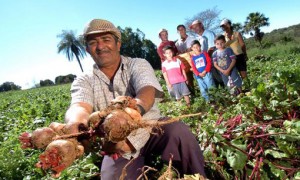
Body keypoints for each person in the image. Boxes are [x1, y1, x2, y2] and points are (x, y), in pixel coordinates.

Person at [65, 19, 206, 179]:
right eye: (93, 42)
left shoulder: (137, 64)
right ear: (87, 49)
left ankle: (198, 175)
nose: (101, 46)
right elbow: (79, 106)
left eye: (106, 40)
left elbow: (146, 90)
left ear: (118, 44)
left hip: (151, 129)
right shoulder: (84, 79)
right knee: (112, 176)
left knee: (178, 131)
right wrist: (76, 125)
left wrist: (133, 111)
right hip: (117, 146)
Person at [190, 20, 224, 88]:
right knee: (212, 77)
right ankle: (217, 91)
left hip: (212, 57)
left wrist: (205, 57)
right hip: (205, 59)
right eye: (193, 28)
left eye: (196, 26)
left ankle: (225, 88)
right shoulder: (197, 37)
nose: (195, 28)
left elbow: (212, 48)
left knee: (218, 75)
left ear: (201, 25)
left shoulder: (209, 33)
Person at [175, 24, 196, 95]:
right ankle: (193, 94)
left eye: (182, 29)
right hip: (186, 63)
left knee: (199, 77)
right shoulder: (177, 43)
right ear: (177, 32)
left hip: (195, 61)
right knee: (189, 79)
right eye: (179, 30)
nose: (181, 31)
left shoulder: (192, 38)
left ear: (185, 29)